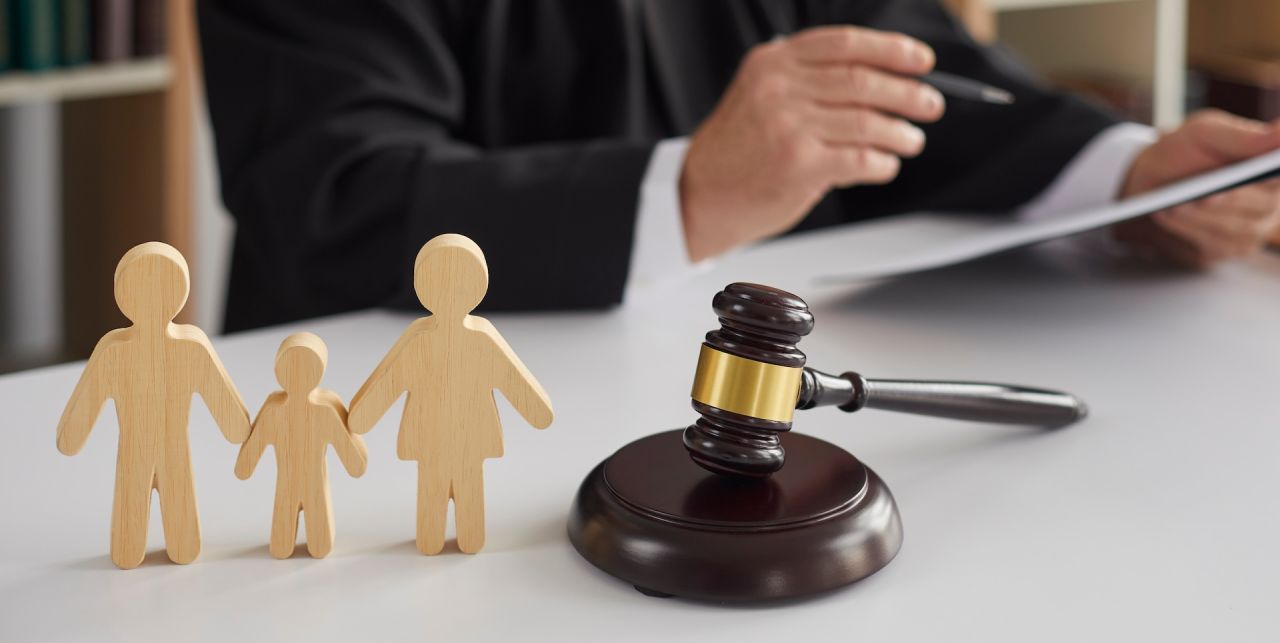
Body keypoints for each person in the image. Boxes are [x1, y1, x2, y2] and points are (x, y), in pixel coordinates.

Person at [199, 1, 1280, 332]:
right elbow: (332, 193)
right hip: (387, 446)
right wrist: (691, 191)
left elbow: (913, 76)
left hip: (740, 417)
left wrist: (1133, 178)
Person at [347, 234, 554, 555]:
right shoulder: (441, 340)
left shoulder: (449, 340)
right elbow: (524, 393)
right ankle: (448, 538)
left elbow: (382, 391)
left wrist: (360, 419)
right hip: (451, 437)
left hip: (447, 436)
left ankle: (444, 539)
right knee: (449, 484)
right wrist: (537, 414)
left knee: (452, 485)